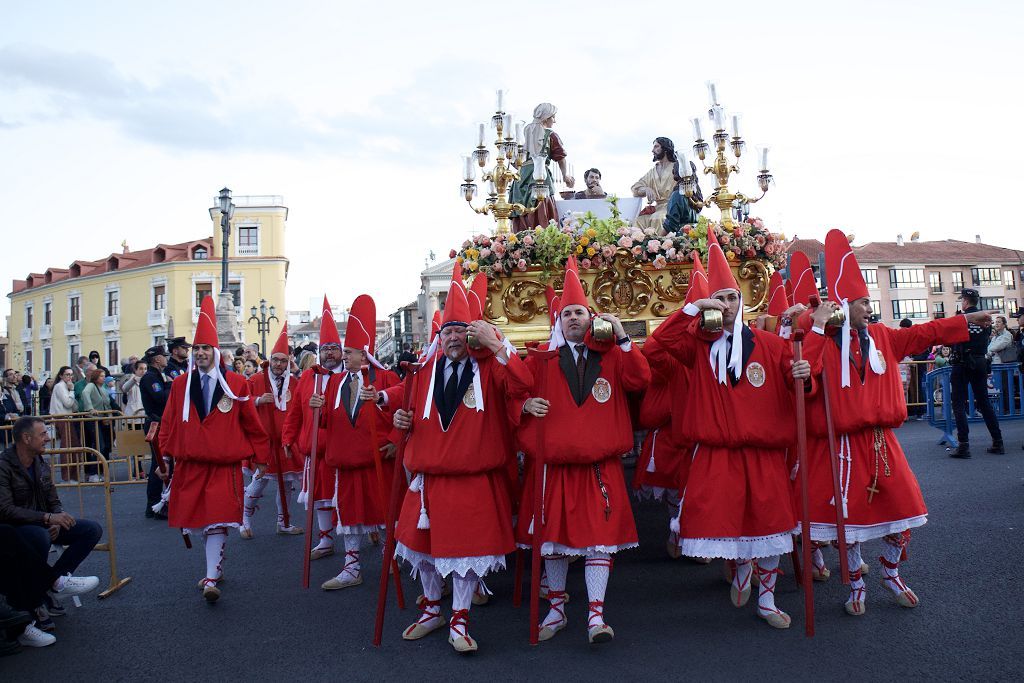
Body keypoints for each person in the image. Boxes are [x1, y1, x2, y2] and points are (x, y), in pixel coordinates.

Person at [643, 228, 830, 630]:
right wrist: (694, 309)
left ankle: (767, 599)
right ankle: (741, 568)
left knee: (772, 527)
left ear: (741, 302)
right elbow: (654, 349)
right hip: (717, 454)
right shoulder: (695, 346)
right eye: (721, 298)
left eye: (731, 298)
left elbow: (799, 387)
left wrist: (804, 376)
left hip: (764, 454)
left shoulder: (771, 343)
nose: (727, 305)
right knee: (729, 524)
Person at [802, 230, 988, 616]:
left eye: (869, 301)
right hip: (841, 448)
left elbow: (923, 333)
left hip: (882, 442)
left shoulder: (884, 337)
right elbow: (806, 378)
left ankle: (890, 572)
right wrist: (817, 328)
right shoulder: (820, 340)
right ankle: (855, 584)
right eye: (861, 302)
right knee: (849, 526)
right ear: (842, 307)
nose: (869, 308)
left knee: (904, 511)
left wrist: (965, 320)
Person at [388, 263, 533, 653]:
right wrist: (400, 417)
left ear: (471, 335)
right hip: (428, 480)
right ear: (440, 336)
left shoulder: (490, 369)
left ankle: (460, 618)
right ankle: (432, 608)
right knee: (423, 551)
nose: (454, 338)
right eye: (448, 331)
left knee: (467, 554)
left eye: (460, 331)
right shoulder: (421, 374)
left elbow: (523, 383)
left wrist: (497, 344)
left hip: (473, 478)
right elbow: (404, 412)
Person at [516, 256, 651, 644]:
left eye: (579, 312)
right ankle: (556, 610)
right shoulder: (539, 359)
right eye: (566, 313)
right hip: (555, 467)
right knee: (554, 544)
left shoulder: (611, 355)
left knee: (599, 541)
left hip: (599, 468)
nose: (573, 318)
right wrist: (523, 406)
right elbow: (512, 393)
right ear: (558, 321)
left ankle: (596, 617)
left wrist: (624, 336)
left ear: (591, 318)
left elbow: (640, 380)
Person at [157, 296, 270, 603]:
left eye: (206, 348)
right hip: (192, 464)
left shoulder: (235, 383)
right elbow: (168, 423)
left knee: (217, 518)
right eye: (197, 349)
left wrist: (261, 456)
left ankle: (211, 576)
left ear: (216, 352)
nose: (201, 353)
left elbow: (251, 423)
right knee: (201, 520)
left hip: (223, 464)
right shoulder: (180, 384)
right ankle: (214, 569)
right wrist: (163, 458)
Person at [319, 295, 400, 590]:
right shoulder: (332, 383)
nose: (344, 356)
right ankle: (351, 567)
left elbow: (404, 414)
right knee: (350, 515)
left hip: (379, 458)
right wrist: (318, 410)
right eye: (345, 351)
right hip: (347, 460)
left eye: (350, 351)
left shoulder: (388, 377)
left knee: (385, 511)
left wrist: (394, 440)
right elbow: (328, 421)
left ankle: (390, 556)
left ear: (364, 355)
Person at [0, 417, 102, 637]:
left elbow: (52, 496)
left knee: (91, 530)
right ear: (26, 438)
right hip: (16, 527)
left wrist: (56, 516)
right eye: (43, 434)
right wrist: (46, 519)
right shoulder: (4, 465)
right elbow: (6, 509)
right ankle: (36, 602)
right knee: (39, 538)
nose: (48, 438)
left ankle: (53, 584)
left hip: (43, 522)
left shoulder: (40, 462)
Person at [282, 297, 347, 561]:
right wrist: (288, 437)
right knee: (319, 496)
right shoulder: (307, 377)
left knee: (345, 495)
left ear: (341, 351)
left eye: (334, 348)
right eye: (325, 349)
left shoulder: (350, 376)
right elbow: (295, 412)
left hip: (343, 449)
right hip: (314, 448)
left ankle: (358, 539)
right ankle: (326, 539)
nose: (329, 353)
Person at [240, 323, 304, 538]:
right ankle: (244, 520)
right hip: (263, 443)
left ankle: (283, 522)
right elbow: (239, 401)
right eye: (275, 359)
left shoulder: (294, 382)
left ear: (289, 362)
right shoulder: (256, 379)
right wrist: (257, 400)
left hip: (285, 442)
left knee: (285, 485)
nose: (278, 364)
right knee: (258, 483)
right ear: (270, 359)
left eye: (283, 360)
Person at [949, 288, 1002, 457]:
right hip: (979, 361)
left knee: (958, 402)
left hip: (962, 362)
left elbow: (950, 340)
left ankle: (963, 445)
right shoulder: (986, 319)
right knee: (984, 402)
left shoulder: (960, 319)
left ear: (965, 302)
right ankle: (998, 442)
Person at [509, 102, 574, 230]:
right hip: (540, 176)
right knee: (541, 208)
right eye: (553, 117)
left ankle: (522, 243)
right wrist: (565, 175)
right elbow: (561, 158)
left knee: (521, 211)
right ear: (546, 117)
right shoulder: (550, 135)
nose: (554, 121)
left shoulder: (521, 135)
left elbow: (513, 161)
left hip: (520, 178)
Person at [140, 346, 172, 519]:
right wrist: (170, 385)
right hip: (155, 423)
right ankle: (153, 505)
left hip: (161, 422)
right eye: (164, 356)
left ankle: (161, 502)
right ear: (157, 359)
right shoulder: (150, 377)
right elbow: (161, 398)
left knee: (164, 463)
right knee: (159, 464)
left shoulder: (157, 376)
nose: (166, 359)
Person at [631, 137, 678, 231]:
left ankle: (663, 244)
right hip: (658, 208)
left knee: (659, 218)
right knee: (637, 221)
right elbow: (635, 189)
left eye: (656, 147)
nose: (652, 150)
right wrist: (646, 189)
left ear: (665, 149)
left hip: (673, 207)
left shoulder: (677, 167)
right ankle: (640, 246)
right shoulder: (653, 172)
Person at [79, 369, 110, 482]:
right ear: (96, 377)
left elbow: (107, 403)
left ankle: (99, 471)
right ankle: (93, 473)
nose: (103, 378)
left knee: (104, 446)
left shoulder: (103, 388)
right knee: (99, 446)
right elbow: (84, 393)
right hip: (92, 419)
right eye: (101, 376)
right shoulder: (91, 385)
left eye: (104, 376)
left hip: (102, 419)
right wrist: (90, 408)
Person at [663, 159, 704, 231]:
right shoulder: (697, 193)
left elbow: (671, 223)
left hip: (683, 237)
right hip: (697, 236)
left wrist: (658, 238)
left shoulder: (678, 195)